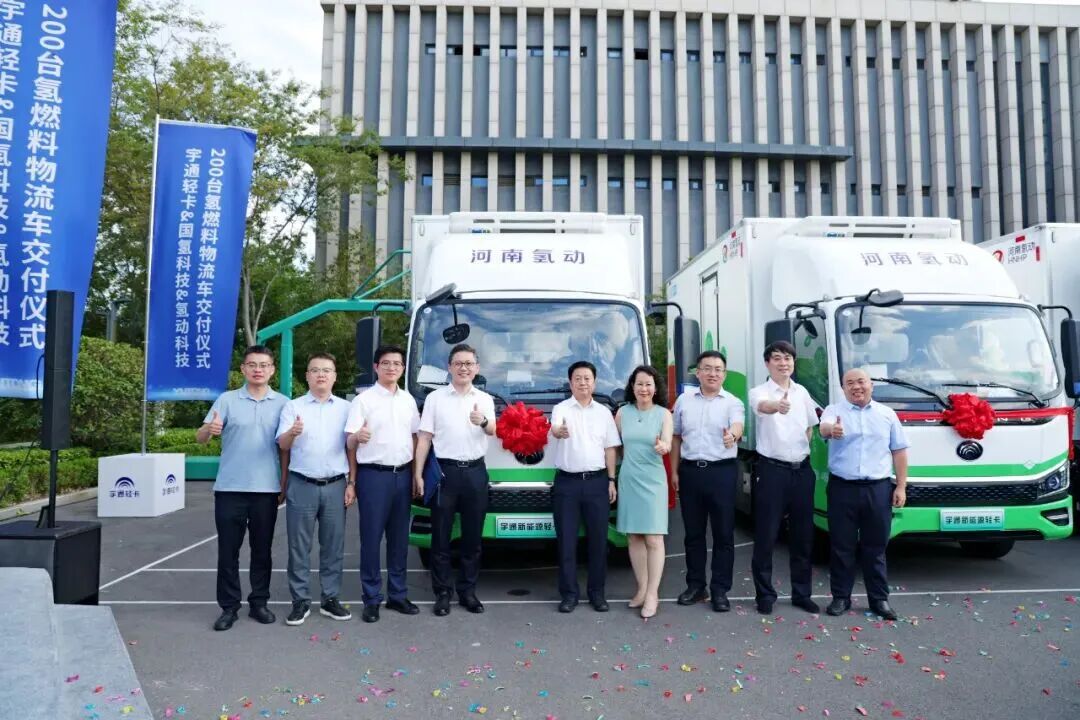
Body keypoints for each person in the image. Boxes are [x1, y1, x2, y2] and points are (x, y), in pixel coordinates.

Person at [197, 345, 288, 632]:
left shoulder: (284, 403)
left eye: (263, 365)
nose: (258, 369)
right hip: (229, 488)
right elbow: (201, 437)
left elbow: (285, 449)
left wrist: (283, 483)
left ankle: (259, 602)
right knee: (228, 551)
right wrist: (209, 430)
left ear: (272, 370)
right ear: (243, 369)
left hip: (266, 490)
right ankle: (229, 607)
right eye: (252, 364)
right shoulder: (226, 400)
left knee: (262, 550)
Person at [819, 369, 909, 622]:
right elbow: (823, 428)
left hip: (877, 489)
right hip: (842, 488)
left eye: (861, 382)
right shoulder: (834, 411)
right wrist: (831, 430)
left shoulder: (887, 414)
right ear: (843, 388)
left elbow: (899, 451)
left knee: (876, 547)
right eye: (849, 383)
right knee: (841, 546)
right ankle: (841, 597)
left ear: (871, 385)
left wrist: (901, 487)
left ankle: (879, 599)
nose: (856, 387)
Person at [413, 343, 497, 616]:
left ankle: (467, 592)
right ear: (449, 367)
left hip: (475, 473)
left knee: (472, 539)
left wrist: (482, 421)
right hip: (444, 474)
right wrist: (418, 474)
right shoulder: (436, 399)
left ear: (477, 368)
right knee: (441, 538)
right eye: (458, 363)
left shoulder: (484, 399)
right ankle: (442, 594)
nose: (464, 368)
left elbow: (493, 430)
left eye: (469, 363)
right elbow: (424, 438)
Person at [345, 344, 421, 623]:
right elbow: (349, 442)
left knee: (399, 539)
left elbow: (415, 437)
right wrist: (357, 439)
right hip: (373, 476)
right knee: (371, 539)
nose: (392, 368)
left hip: (403, 475)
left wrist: (416, 474)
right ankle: (372, 598)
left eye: (397, 364)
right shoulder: (363, 401)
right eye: (386, 363)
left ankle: (398, 595)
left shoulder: (408, 400)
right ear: (376, 367)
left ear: (403, 368)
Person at [276, 352, 353, 626]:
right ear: (307, 375)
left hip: (336, 485)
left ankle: (330, 598)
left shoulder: (346, 408)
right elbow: (282, 445)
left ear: (335, 376)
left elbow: (351, 448)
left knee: (333, 545)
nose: (321, 374)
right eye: (315, 370)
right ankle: (300, 600)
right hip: (302, 484)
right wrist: (292, 432)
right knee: (299, 546)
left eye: (326, 370)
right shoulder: (292, 407)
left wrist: (352, 483)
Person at [748, 341, 821, 615]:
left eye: (788, 358)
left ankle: (802, 593)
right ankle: (765, 594)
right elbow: (763, 406)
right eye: (777, 358)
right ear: (767, 363)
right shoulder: (759, 392)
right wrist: (776, 406)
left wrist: (799, 452)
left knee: (803, 536)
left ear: (793, 362)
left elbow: (810, 428)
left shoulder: (802, 392)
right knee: (766, 535)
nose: (783, 363)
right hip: (771, 471)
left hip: (801, 471)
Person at [670, 350, 745, 613]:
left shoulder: (733, 402)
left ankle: (720, 590)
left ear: (724, 374)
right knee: (693, 534)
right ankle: (696, 585)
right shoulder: (684, 400)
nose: (713, 373)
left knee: (723, 534)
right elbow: (676, 437)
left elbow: (738, 426)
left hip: (722, 473)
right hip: (691, 472)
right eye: (707, 368)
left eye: (718, 369)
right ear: (698, 372)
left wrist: (732, 436)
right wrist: (674, 471)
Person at [549, 361, 621, 614]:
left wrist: (611, 480)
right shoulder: (560, 409)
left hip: (597, 483)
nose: (582, 382)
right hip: (567, 483)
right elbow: (555, 429)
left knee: (598, 542)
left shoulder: (603, 413)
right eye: (577, 378)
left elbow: (610, 448)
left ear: (594, 382)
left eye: (587, 378)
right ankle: (569, 594)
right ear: (570, 383)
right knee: (566, 541)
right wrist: (559, 431)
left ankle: (597, 594)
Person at [614, 365, 673, 618]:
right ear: (632, 386)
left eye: (648, 384)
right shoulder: (622, 413)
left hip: (653, 480)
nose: (644, 389)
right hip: (629, 478)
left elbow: (667, 443)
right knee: (634, 537)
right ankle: (641, 588)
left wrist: (663, 447)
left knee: (654, 538)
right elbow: (615, 445)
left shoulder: (663, 414)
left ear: (655, 387)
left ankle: (652, 594)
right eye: (639, 384)